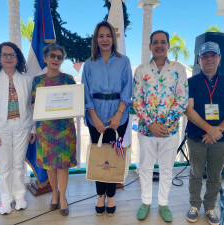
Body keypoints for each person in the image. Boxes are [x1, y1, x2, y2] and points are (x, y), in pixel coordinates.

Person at [133, 30, 188, 222]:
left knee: (166, 169)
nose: (159, 45)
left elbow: (182, 100)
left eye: (162, 42)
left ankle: (163, 203)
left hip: (170, 131)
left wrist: (164, 125)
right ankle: (146, 201)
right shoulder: (141, 70)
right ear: (149, 46)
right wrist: (151, 124)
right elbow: (137, 101)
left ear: (168, 46)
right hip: (146, 131)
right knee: (145, 168)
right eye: (155, 42)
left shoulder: (178, 69)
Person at [185, 41, 224, 225]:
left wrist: (217, 131)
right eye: (205, 56)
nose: (209, 59)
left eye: (213, 55)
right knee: (195, 173)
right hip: (196, 136)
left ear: (219, 59)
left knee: (215, 176)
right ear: (199, 60)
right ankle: (194, 205)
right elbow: (188, 109)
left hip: (221, 139)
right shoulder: (190, 82)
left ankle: (209, 207)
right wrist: (209, 129)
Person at [82, 21, 132, 216]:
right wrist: (94, 117)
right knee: (98, 155)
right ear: (96, 39)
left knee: (113, 156)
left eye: (108, 35)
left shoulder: (124, 61)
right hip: (95, 115)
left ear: (114, 38)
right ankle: (99, 195)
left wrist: (118, 115)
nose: (105, 39)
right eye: (101, 36)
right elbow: (85, 92)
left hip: (119, 115)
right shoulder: (88, 64)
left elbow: (128, 90)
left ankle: (110, 196)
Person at [0, 42, 35, 215]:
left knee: (18, 164)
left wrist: (32, 129)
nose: (9, 58)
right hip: (0, 128)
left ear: (18, 57)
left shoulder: (26, 79)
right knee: (5, 167)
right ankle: (5, 200)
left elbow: (31, 106)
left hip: (22, 127)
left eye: (12, 54)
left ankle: (20, 198)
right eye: (5, 55)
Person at [31, 44, 77, 216]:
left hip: (65, 129)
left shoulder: (68, 79)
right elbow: (33, 104)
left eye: (59, 57)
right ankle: (55, 194)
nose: (55, 59)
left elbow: (75, 103)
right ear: (45, 58)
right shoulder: (37, 81)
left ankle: (63, 197)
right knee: (50, 165)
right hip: (45, 130)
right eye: (52, 56)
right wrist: (44, 105)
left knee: (63, 166)